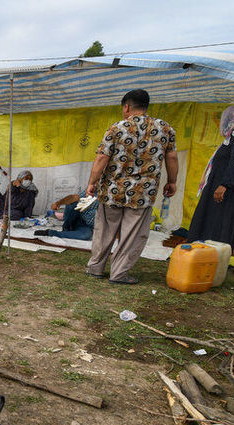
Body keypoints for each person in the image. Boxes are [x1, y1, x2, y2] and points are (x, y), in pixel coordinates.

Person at [85, 89, 178, 284]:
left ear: (126, 107)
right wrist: (172, 181)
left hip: (112, 189)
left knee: (104, 230)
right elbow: (172, 157)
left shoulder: (116, 128)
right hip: (142, 192)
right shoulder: (165, 129)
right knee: (132, 234)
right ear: (145, 106)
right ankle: (119, 273)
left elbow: (102, 157)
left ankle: (95, 267)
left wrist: (92, 182)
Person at [186, 105, 234, 246]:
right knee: (212, 219)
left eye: (233, 116)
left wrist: (225, 185)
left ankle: (210, 255)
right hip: (224, 184)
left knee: (219, 223)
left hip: (229, 189)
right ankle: (202, 252)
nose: (230, 119)